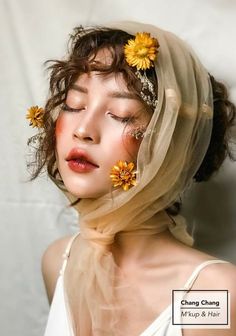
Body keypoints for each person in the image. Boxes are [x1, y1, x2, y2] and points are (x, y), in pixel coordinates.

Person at [26, 21, 236, 335]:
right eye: (74, 105)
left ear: (169, 142)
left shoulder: (210, 293)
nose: (83, 130)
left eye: (121, 114)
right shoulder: (58, 261)